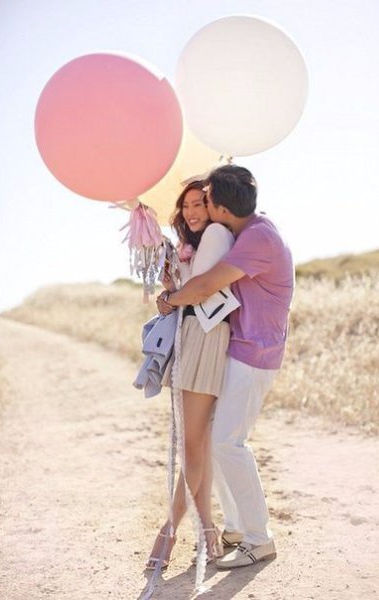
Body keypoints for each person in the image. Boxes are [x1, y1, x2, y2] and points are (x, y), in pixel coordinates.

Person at [157, 164, 294, 569]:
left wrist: (169, 300)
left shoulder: (258, 237)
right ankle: (236, 526)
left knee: (227, 443)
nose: (202, 206)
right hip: (241, 348)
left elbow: (204, 286)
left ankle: (259, 538)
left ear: (221, 208)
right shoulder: (249, 231)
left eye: (208, 199)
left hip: (255, 355)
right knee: (218, 441)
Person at [146, 180, 236, 570]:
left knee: (193, 444)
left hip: (206, 335)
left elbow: (199, 290)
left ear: (213, 207)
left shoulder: (217, 237)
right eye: (186, 206)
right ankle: (208, 531)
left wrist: (173, 294)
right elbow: (186, 289)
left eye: (199, 204)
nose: (192, 212)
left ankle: (169, 531)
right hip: (192, 335)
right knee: (195, 446)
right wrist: (170, 286)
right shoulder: (194, 245)